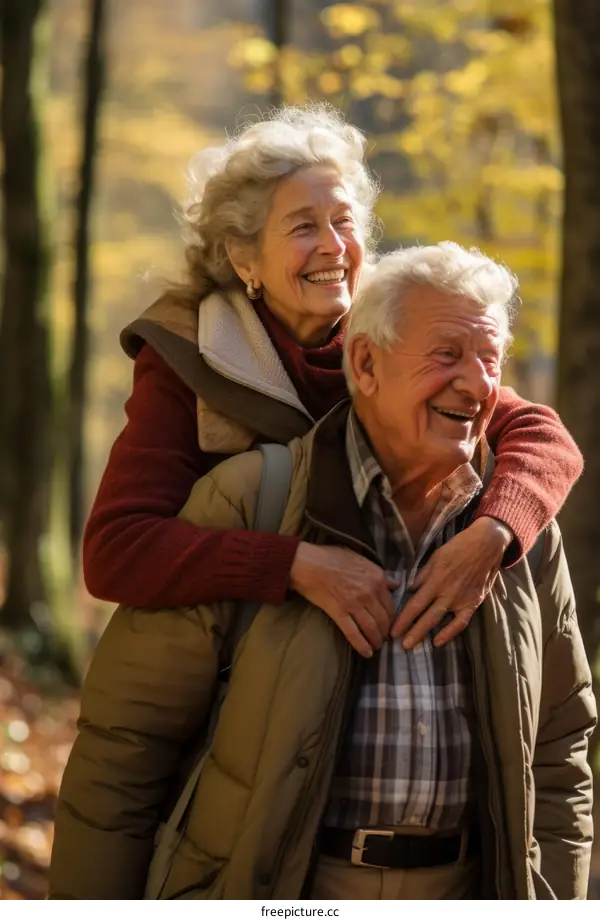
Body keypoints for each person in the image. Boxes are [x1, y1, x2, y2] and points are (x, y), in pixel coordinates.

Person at [49, 243, 595, 900]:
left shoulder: (520, 532)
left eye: (489, 360)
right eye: (446, 355)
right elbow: (126, 750)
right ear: (364, 363)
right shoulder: (254, 500)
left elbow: (561, 753)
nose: (477, 383)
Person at [82, 105, 583, 655]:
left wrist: (494, 535)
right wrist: (293, 565)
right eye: (303, 226)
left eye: (344, 221)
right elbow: (116, 551)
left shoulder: (394, 330)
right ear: (244, 257)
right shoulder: (189, 354)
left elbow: (540, 432)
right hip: (242, 674)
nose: (333, 246)